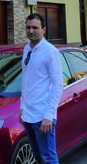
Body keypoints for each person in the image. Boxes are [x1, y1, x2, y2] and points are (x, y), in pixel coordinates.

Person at [19, 13, 63, 164]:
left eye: (35, 28)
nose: (31, 31)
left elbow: (58, 84)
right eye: (28, 27)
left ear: (43, 30)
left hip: (42, 116)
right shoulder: (27, 50)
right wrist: (21, 107)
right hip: (28, 114)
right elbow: (26, 81)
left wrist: (49, 116)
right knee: (38, 157)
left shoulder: (50, 52)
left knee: (48, 158)